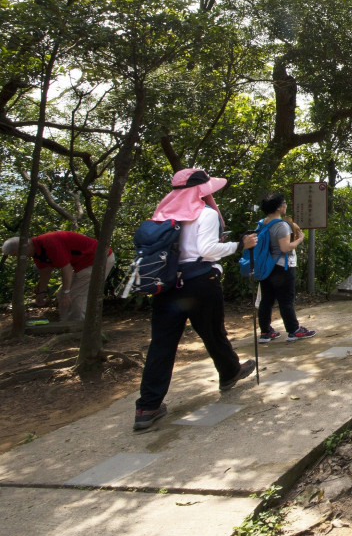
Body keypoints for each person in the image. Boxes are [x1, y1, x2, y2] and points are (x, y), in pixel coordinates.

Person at [133, 168, 257, 431]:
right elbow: (207, 250)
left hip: (166, 286)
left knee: (162, 345)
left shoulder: (162, 215)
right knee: (213, 333)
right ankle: (229, 372)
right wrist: (239, 245)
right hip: (200, 282)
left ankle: (147, 406)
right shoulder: (206, 213)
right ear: (202, 191)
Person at [2, 231, 115, 321]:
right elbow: (45, 272)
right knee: (61, 294)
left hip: (98, 259)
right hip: (81, 265)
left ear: (25, 246)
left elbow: (66, 268)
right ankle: (65, 323)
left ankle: (78, 327)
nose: (18, 257)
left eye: (17, 254)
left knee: (76, 295)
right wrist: (41, 292)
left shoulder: (49, 243)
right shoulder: (37, 252)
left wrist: (67, 292)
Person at [255, 193, 315, 344]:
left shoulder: (262, 223)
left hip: (266, 266)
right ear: (279, 207)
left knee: (266, 300)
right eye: (284, 203)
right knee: (286, 300)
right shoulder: (281, 225)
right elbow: (285, 247)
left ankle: (265, 331)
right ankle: (293, 330)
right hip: (282, 266)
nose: (286, 205)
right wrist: (300, 239)